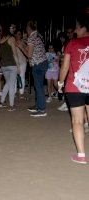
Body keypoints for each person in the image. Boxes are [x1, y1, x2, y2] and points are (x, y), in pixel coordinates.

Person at [58, 13, 89, 164]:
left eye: (77, 26)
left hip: (74, 86)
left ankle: (81, 155)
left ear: (83, 27)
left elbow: (64, 67)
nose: (75, 30)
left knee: (77, 120)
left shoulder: (72, 43)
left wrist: (59, 83)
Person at [18, 20, 48, 117]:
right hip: (42, 63)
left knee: (38, 87)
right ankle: (38, 105)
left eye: (26, 28)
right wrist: (23, 44)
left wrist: (21, 48)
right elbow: (31, 49)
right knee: (38, 86)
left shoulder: (31, 38)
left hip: (38, 65)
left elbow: (29, 55)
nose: (25, 30)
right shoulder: (38, 35)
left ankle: (41, 109)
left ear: (29, 28)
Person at [0, 23, 20, 111]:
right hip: (12, 65)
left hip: (3, 66)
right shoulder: (11, 38)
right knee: (11, 84)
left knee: (8, 83)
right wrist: (18, 66)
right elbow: (15, 54)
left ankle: (2, 102)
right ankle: (11, 105)